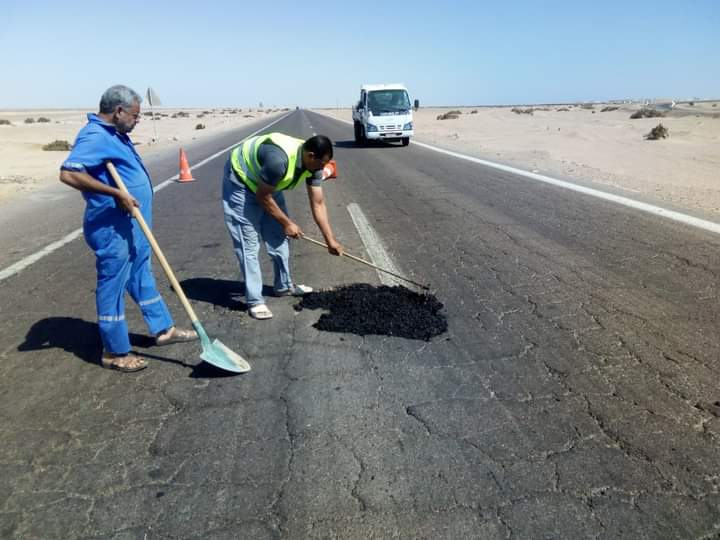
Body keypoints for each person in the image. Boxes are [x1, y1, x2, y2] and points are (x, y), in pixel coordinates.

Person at [59, 85, 197, 372]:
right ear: (118, 111)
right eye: (135, 115)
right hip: (112, 228)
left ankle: (163, 329)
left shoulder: (115, 134)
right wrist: (116, 193)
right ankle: (114, 350)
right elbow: (68, 173)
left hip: (133, 224)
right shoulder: (95, 136)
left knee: (141, 274)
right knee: (113, 285)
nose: (138, 120)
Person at [222, 132, 343, 320]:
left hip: (269, 185)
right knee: (248, 242)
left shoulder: (315, 165)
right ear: (310, 155)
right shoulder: (278, 162)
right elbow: (262, 196)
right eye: (321, 163)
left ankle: (283, 286)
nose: (322, 168)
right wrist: (287, 222)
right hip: (242, 181)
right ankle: (255, 300)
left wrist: (330, 240)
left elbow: (318, 203)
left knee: (278, 235)